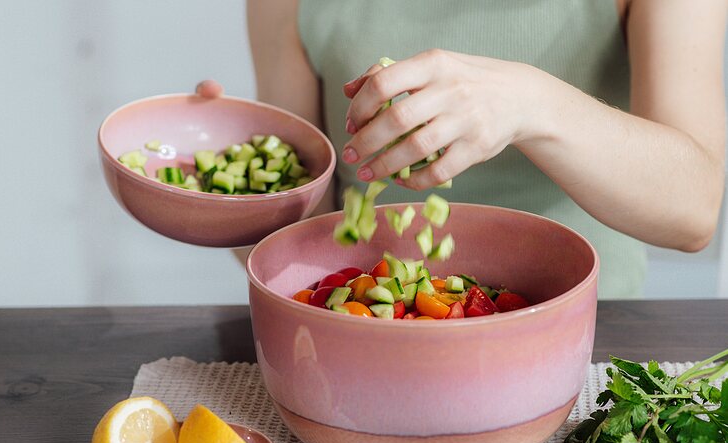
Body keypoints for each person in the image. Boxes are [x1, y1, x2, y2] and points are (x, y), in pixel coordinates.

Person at [201, 0, 727, 298]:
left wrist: (532, 103)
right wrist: (234, 197)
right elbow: (293, 239)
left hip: (590, 331)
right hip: (371, 327)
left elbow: (693, 207)